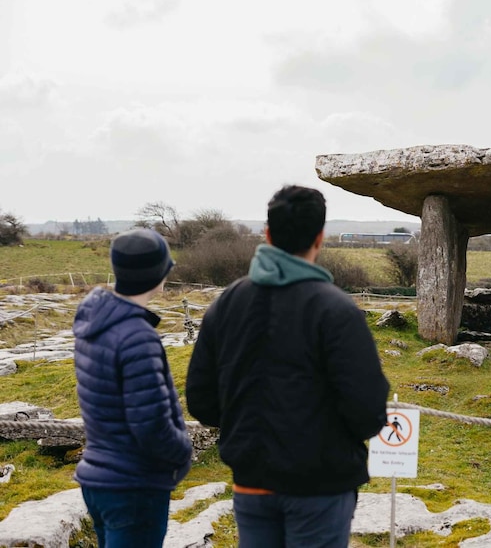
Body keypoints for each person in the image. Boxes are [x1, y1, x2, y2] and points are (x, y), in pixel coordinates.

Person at [186, 184, 390, 547]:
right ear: (320, 238)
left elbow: (202, 401)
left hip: (251, 481)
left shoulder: (226, 305)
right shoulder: (338, 311)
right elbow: (368, 412)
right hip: (321, 487)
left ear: (267, 234)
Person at [73, 228, 193, 547]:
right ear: (159, 274)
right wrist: (183, 453)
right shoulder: (137, 336)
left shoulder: (95, 321)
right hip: (134, 485)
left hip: (99, 479)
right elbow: (151, 424)